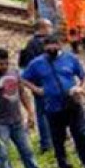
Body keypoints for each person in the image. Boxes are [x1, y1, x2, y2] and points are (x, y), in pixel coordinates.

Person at [21, 34, 85, 168]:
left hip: (72, 104)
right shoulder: (37, 63)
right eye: (48, 46)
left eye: (54, 45)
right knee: (58, 140)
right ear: (44, 47)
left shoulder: (70, 59)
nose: (51, 48)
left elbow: (83, 75)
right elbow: (24, 77)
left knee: (80, 135)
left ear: (60, 45)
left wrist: (79, 89)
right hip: (52, 107)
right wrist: (36, 89)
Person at [0, 48, 46, 168]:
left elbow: (22, 93)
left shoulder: (14, 73)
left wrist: (30, 113)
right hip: (0, 123)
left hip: (17, 120)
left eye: (5, 63)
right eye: (0, 64)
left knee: (27, 151)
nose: (3, 67)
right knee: (2, 156)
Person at [18, 19, 53, 153]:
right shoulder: (46, 43)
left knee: (43, 113)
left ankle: (47, 143)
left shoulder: (30, 44)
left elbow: (24, 65)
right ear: (43, 28)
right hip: (45, 84)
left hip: (39, 85)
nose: (51, 29)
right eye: (50, 26)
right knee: (46, 113)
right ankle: (48, 142)